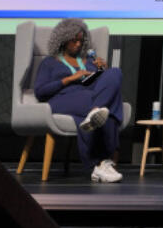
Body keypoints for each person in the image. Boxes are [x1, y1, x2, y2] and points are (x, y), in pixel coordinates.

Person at [33, 18, 125, 183]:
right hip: (62, 98)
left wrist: (101, 70)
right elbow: (40, 92)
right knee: (110, 108)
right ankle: (101, 163)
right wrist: (70, 79)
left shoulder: (89, 62)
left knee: (115, 72)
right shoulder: (50, 62)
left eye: (80, 41)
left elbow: (104, 85)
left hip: (89, 96)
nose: (78, 44)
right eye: (74, 40)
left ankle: (94, 114)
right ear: (63, 39)